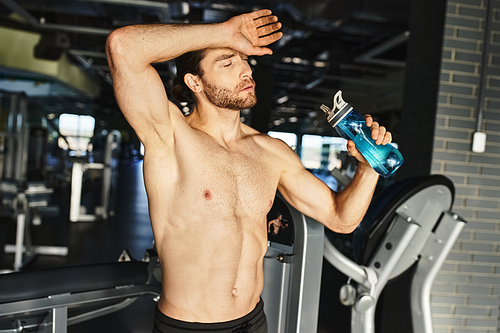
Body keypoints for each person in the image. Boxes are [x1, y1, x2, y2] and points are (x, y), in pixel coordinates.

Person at [106, 9, 392, 333]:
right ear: (194, 81)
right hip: (191, 327)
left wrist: (369, 168)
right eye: (228, 62)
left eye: (245, 61)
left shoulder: (271, 152)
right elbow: (123, 47)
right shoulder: (170, 136)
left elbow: (342, 218)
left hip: (254, 321)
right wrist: (222, 33)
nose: (245, 70)